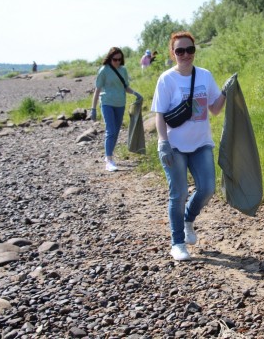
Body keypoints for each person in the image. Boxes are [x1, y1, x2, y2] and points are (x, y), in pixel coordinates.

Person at [151, 31, 232, 261]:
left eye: (190, 50)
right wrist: (163, 142)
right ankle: (177, 243)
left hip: (200, 143)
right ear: (173, 53)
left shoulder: (205, 76)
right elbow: (160, 115)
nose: (185, 55)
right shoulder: (167, 79)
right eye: (180, 51)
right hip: (174, 146)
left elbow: (215, 109)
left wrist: (225, 91)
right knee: (178, 194)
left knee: (207, 188)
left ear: (194, 51)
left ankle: (188, 219)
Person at [91, 47, 143, 172]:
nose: (117, 62)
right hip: (107, 103)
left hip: (120, 103)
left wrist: (135, 93)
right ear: (110, 58)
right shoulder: (104, 70)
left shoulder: (123, 70)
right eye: (115, 59)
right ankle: (109, 160)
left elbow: (125, 87)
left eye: (120, 59)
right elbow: (97, 90)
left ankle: (109, 155)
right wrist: (93, 108)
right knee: (111, 130)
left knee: (116, 131)